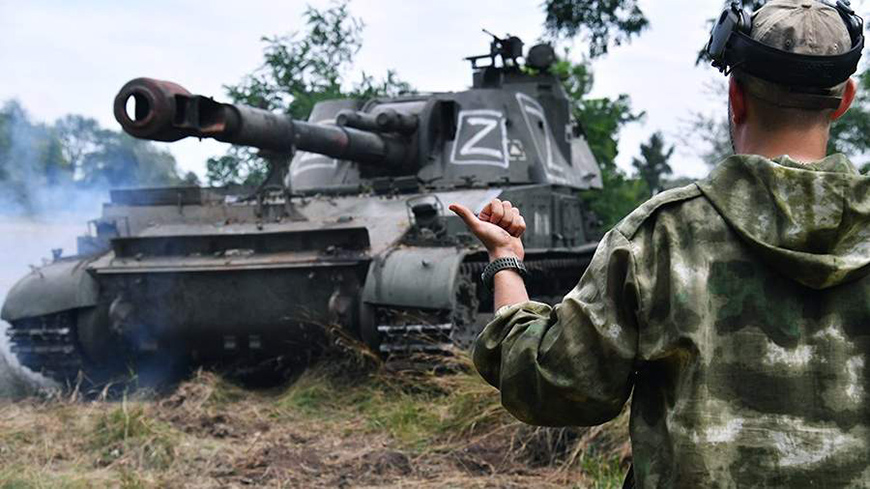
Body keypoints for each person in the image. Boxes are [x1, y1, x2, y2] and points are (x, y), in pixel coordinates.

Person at [449, 1, 869, 487]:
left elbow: (548, 383)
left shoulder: (659, 237)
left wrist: (505, 262)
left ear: (735, 96)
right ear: (845, 99)